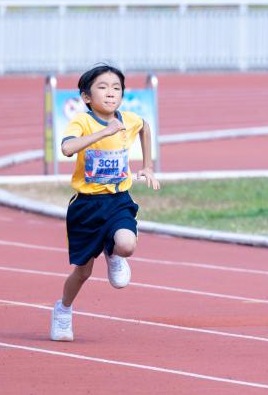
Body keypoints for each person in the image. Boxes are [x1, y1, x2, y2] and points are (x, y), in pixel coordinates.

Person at [50, 64, 160, 342]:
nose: (110, 93)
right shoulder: (82, 122)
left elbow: (145, 127)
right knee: (83, 271)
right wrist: (105, 132)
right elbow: (66, 148)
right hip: (86, 207)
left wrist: (147, 165)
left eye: (116, 88)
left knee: (127, 245)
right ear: (86, 96)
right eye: (102, 87)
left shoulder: (128, 120)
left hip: (118, 200)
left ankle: (113, 252)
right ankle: (63, 309)